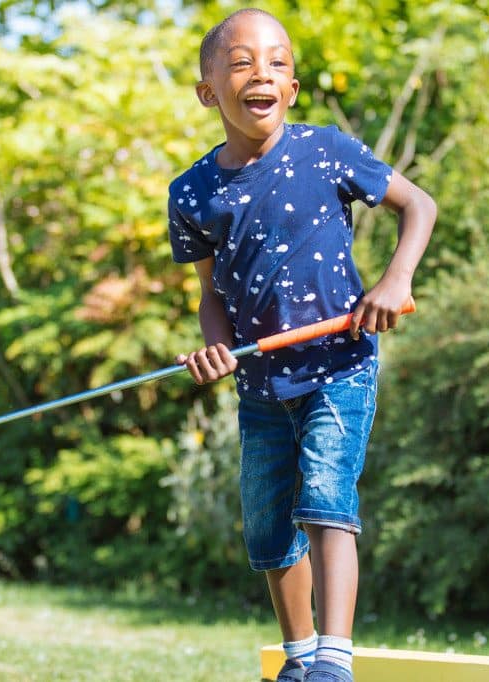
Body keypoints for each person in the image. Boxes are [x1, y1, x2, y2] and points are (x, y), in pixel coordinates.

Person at [167, 8, 436, 682]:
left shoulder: (327, 150)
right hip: (259, 387)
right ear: (208, 92)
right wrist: (215, 348)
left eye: (278, 62)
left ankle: (334, 661)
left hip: (339, 366)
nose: (262, 72)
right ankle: (299, 656)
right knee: (266, 529)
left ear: (292, 87)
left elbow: (419, 206)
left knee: (325, 496)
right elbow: (210, 296)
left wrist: (393, 280)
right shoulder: (192, 193)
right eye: (240, 62)